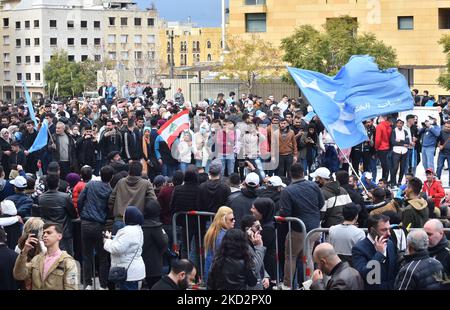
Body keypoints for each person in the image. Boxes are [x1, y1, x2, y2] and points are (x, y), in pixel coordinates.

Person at [278, 163, 324, 289]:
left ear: (290, 174)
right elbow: (321, 204)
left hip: (298, 229)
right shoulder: (313, 185)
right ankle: (309, 284)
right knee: (307, 255)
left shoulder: (287, 190)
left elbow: (285, 212)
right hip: (314, 227)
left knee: (291, 256)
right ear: (303, 173)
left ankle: (287, 285)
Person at [77, 165, 114, 290]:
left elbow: (80, 200)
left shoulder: (91, 184)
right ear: (111, 177)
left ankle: (87, 283)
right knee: (103, 257)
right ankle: (103, 285)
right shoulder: (110, 191)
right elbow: (110, 207)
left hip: (86, 223)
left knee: (86, 256)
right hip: (100, 225)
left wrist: (82, 214)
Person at [13, 223, 79, 290]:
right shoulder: (37, 259)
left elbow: (72, 288)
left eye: (49, 233)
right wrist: (24, 251)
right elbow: (19, 275)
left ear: (59, 236)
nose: (45, 235)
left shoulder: (68, 262)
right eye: (44, 233)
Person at [103, 206, 146, 290]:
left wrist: (107, 241)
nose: (123, 217)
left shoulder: (128, 232)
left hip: (129, 274)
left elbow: (117, 249)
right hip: (134, 271)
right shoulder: (137, 229)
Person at [108, 161, 157, 234]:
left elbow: (111, 200)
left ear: (129, 171)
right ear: (140, 172)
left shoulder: (121, 182)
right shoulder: (146, 184)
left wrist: (112, 213)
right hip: (136, 223)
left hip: (119, 220)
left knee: (117, 245)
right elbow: (153, 201)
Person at [352, 214, 398, 290]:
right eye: (384, 230)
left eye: (389, 229)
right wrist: (379, 254)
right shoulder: (359, 249)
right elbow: (364, 274)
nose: (389, 233)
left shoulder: (390, 243)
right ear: (372, 230)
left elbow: (394, 270)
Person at [38, 174, 78, 256]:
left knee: (50, 256)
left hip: (49, 231)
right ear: (58, 184)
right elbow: (73, 214)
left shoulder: (41, 198)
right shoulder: (65, 197)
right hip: (64, 232)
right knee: (67, 257)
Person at [170, 166, 200, 259]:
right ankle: (197, 269)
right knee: (199, 247)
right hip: (198, 221)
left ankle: (184, 267)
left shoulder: (178, 189)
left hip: (183, 222)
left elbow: (172, 205)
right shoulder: (199, 189)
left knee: (185, 247)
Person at [204, 206, 235, 284]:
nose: (234, 221)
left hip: (211, 272)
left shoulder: (213, 231)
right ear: (223, 220)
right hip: (219, 276)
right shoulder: (223, 236)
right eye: (231, 219)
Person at [142, 200, 169, 289]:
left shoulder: (140, 225)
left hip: (140, 263)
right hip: (154, 265)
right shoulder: (156, 226)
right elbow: (164, 242)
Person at [240, 215, 270, 290]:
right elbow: (253, 268)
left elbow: (260, 262)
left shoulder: (254, 241)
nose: (261, 229)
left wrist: (265, 275)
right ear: (248, 229)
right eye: (257, 227)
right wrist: (259, 247)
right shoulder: (243, 245)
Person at [250, 197, 276, 282]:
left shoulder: (268, 228)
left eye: (254, 208)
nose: (251, 210)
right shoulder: (262, 223)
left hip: (266, 264)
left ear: (262, 211)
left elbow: (261, 246)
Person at [390, 119, 410, 187]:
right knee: (395, 167)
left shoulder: (405, 131)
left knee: (403, 168)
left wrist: (400, 140)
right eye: (398, 123)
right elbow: (393, 142)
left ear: (403, 124)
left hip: (404, 151)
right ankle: (393, 182)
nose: (399, 124)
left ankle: (399, 182)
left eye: (401, 123)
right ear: (396, 124)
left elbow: (407, 141)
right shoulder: (393, 131)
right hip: (396, 151)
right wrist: (403, 144)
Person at [375, 115, 392, 181]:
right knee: (386, 166)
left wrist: (376, 147)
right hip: (387, 147)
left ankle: (383, 180)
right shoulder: (389, 127)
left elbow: (378, 139)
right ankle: (385, 180)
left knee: (383, 166)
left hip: (381, 148)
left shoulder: (379, 126)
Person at [436, 120, 450, 186]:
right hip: (442, 152)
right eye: (446, 126)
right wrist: (439, 146)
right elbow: (437, 141)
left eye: (448, 127)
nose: (447, 128)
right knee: (439, 167)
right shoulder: (441, 132)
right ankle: (437, 181)